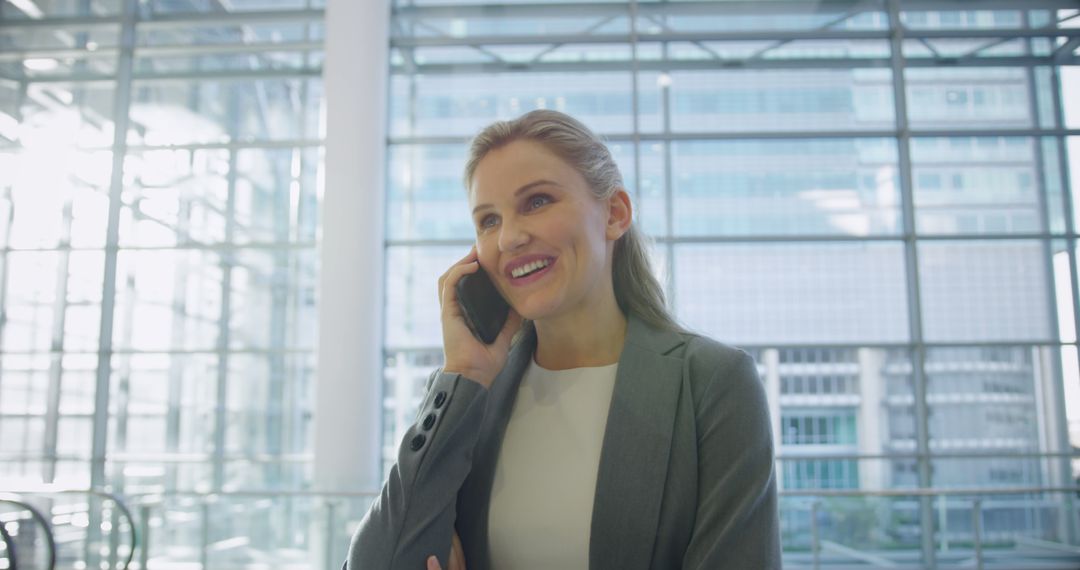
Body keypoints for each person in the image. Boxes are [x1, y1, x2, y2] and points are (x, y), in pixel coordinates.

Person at [344, 110, 780, 570]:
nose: (510, 237)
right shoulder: (473, 393)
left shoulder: (712, 383)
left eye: (536, 202)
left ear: (614, 213)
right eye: (488, 220)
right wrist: (465, 373)